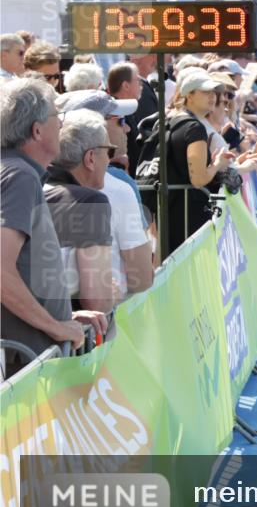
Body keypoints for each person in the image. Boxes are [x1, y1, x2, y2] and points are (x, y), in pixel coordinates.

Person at [1, 79, 106, 375]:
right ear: (36, 130)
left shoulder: (17, 172)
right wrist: (56, 326)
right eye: (56, 118)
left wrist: (64, 316)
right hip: (23, 365)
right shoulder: (19, 176)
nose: (61, 125)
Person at [56, 91, 152, 298]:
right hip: (104, 318)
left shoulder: (38, 182)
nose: (127, 128)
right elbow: (142, 277)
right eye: (120, 121)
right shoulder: (117, 188)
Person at [137, 70, 235, 256]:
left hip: (168, 210)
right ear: (189, 95)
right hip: (190, 216)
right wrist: (217, 164)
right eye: (206, 92)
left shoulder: (168, 120)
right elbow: (198, 179)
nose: (213, 97)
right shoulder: (194, 128)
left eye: (214, 92)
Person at [44, 110, 116, 314]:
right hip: (58, 336)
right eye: (109, 152)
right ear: (90, 157)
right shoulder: (90, 202)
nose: (110, 161)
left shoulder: (24, 186)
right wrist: (111, 293)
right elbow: (97, 302)